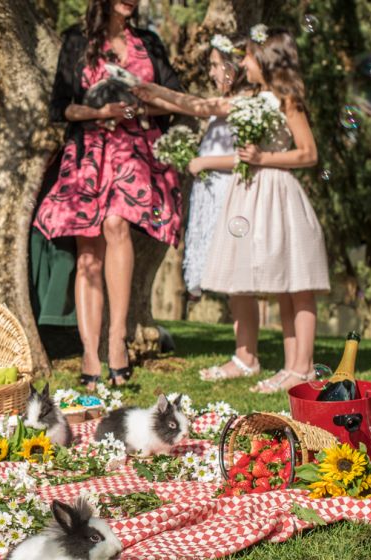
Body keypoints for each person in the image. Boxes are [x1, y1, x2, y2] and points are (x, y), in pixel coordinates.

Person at [136, 25, 330, 394]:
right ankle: (292, 368)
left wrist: (263, 157)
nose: (243, 63)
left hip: (280, 193)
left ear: (268, 60)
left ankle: (302, 367)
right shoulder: (251, 101)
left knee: (298, 286)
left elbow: (308, 152)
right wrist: (155, 92)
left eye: (249, 56)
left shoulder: (287, 101)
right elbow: (202, 105)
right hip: (254, 194)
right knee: (283, 285)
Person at [36, 0, 185, 391]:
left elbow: (174, 97)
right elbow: (60, 108)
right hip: (89, 151)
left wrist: (142, 102)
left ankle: (117, 339)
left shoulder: (149, 42)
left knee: (117, 224)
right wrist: (100, 112)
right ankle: (89, 353)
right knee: (88, 249)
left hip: (135, 150)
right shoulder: (76, 40)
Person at [180, 33, 264, 383]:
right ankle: (242, 354)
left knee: (239, 279)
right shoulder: (231, 102)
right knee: (233, 282)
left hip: (234, 197)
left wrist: (204, 162)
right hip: (216, 199)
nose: (212, 71)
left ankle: (247, 357)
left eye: (216, 65)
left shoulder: (244, 103)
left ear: (233, 67)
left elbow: (245, 156)